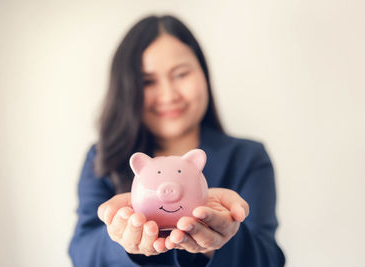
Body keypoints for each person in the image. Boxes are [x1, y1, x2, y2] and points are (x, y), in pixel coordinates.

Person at [68, 14, 285, 267]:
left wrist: (218, 243)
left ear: (203, 73)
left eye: (181, 74)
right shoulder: (103, 158)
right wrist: (122, 240)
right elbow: (82, 254)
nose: (168, 95)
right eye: (148, 81)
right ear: (128, 90)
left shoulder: (247, 157)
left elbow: (269, 259)